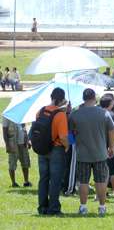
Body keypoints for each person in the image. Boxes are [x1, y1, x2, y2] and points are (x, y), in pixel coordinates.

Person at [70, 89, 114, 217]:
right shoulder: (104, 113)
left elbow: (70, 133)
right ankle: (102, 207)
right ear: (94, 98)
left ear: (83, 98)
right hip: (100, 153)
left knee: (83, 182)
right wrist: (111, 146)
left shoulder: (75, 114)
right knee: (101, 181)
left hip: (82, 153)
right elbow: (113, 130)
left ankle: (83, 207)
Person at [36, 87, 69, 216]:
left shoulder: (41, 111)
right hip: (56, 149)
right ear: (62, 100)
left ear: (51, 97)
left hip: (42, 149)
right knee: (55, 179)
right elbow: (63, 136)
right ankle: (54, 208)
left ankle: (42, 207)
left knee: (43, 178)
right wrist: (67, 146)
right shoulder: (60, 115)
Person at [2, 117, 31, 187]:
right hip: (13, 144)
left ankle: (26, 182)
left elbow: (24, 128)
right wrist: (7, 145)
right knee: (12, 163)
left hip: (23, 143)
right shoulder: (6, 115)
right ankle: (13, 183)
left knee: (26, 162)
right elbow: (4, 130)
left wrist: (27, 140)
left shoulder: (21, 114)